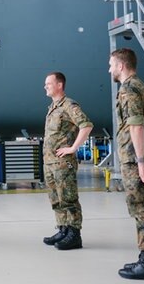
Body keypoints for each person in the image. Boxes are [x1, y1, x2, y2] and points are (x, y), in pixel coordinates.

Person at [109, 48, 144, 281]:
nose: (109, 69)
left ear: (121, 66)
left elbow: (137, 126)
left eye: (111, 64)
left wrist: (140, 162)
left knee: (141, 208)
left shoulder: (128, 90)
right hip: (142, 156)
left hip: (133, 158)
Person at [42, 72, 93, 250]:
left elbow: (86, 125)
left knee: (68, 198)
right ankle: (63, 229)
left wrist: (73, 148)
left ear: (59, 85)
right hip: (50, 163)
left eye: (49, 83)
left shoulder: (69, 105)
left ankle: (74, 234)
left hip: (63, 163)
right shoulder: (53, 107)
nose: (45, 86)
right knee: (56, 199)